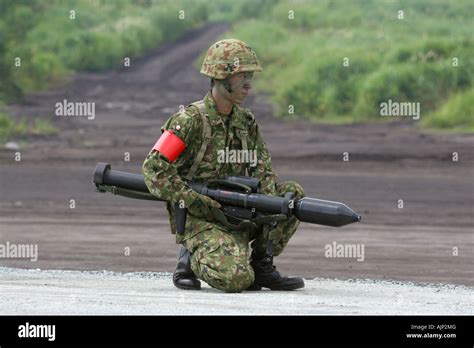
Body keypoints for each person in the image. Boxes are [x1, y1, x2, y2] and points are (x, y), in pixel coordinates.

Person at [142, 39, 305, 293]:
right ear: (220, 76)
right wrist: (193, 200)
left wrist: (270, 203)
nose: (248, 83)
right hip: (200, 215)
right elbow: (154, 167)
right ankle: (190, 258)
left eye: (250, 75)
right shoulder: (189, 121)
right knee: (236, 280)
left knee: (290, 195)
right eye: (241, 75)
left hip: (238, 209)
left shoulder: (245, 120)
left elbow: (262, 169)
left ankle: (262, 265)